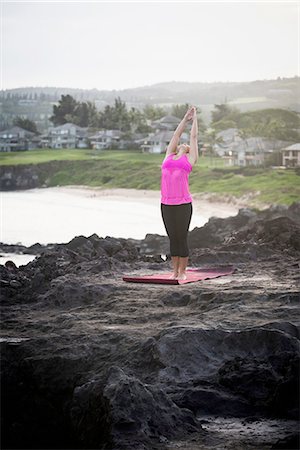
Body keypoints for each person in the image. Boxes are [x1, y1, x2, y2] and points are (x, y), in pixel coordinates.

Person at [160, 106, 199, 280]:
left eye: (186, 144)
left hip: (183, 204)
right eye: (181, 144)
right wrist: (185, 119)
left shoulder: (189, 160)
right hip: (166, 204)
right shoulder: (168, 156)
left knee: (182, 237)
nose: (183, 143)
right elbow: (176, 135)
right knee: (172, 238)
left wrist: (195, 119)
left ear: (189, 149)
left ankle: (183, 272)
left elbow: (194, 137)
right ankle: (174, 271)